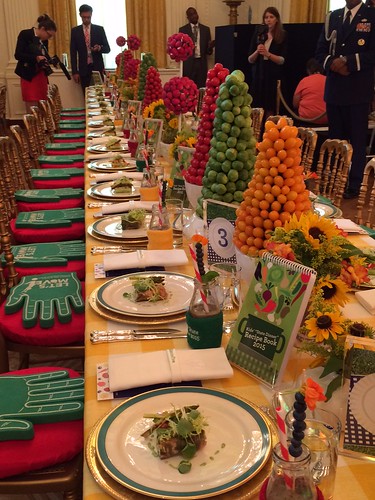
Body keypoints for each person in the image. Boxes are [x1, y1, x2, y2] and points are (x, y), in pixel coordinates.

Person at [316, 0, 375, 199]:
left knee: (357, 141)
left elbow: (372, 54)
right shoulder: (333, 16)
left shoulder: (371, 15)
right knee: (335, 140)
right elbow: (320, 51)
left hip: (358, 90)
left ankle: (354, 184)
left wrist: (348, 62)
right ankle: (332, 181)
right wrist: (332, 63)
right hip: (335, 90)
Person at [248, 7, 287, 118]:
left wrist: (268, 54)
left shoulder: (282, 35)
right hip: (258, 76)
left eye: (271, 17)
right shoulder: (258, 34)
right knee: (256, 107)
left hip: (273, 76)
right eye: (266, 17)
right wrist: (258, 51)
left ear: (276, 20)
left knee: (270, 107)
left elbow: (282, 60)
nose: (268, 20)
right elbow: (250, 59)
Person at [14, 14, 57, 113]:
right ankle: (33, 127)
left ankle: (41, 127)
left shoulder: (44, 40)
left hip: (41, 75)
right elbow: (18, 55)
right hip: (28, 75)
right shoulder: (25, 34)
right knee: (31, 105)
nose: (49, 38)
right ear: (42, 29)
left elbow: (43, 54)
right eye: (49, 35)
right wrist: (35, 58)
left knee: (42, 104)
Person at [70, 4, 110, 93]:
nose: (86, 19)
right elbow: (73, 52)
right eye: (84, 17)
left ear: (91, 15)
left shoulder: (99, 29)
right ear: (80, 15)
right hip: (83, 69)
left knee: (100, 94)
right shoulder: (75, 31)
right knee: (86, 95)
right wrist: (75, 72)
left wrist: (99, 48)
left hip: (97, 68)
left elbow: (107, 49)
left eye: (88, 17)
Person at [179, 7, 215, 89]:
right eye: (191, 15)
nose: (194, 16)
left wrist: (210, 47)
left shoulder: (206, 30)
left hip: (201, 63)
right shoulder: (183, 30)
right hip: (189, 64)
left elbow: (208, 52)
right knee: (188, 88)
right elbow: (181, 50)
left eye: (195, 13)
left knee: (202, 88)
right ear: (188, 18)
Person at [293, 58, 327, 125]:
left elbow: (295, 104)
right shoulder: (328, 80)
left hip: (306, 119)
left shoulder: (304, 81)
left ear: (308, 70)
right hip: (327, 119)